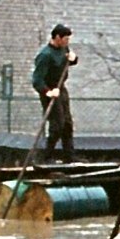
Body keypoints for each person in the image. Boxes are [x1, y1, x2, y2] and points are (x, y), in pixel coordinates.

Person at [32, 23, 78, 163]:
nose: (67, 42)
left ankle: (69, 156)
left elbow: (67, 62)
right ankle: (47, 156)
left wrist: (73, 59)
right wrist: (48, 92)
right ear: (57, 37)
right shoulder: (45, 55)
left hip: (61, 89)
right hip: (50, 90)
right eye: (65, 39)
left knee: (67, 124)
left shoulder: (64, 49)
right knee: (57, 125)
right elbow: (37, 80)